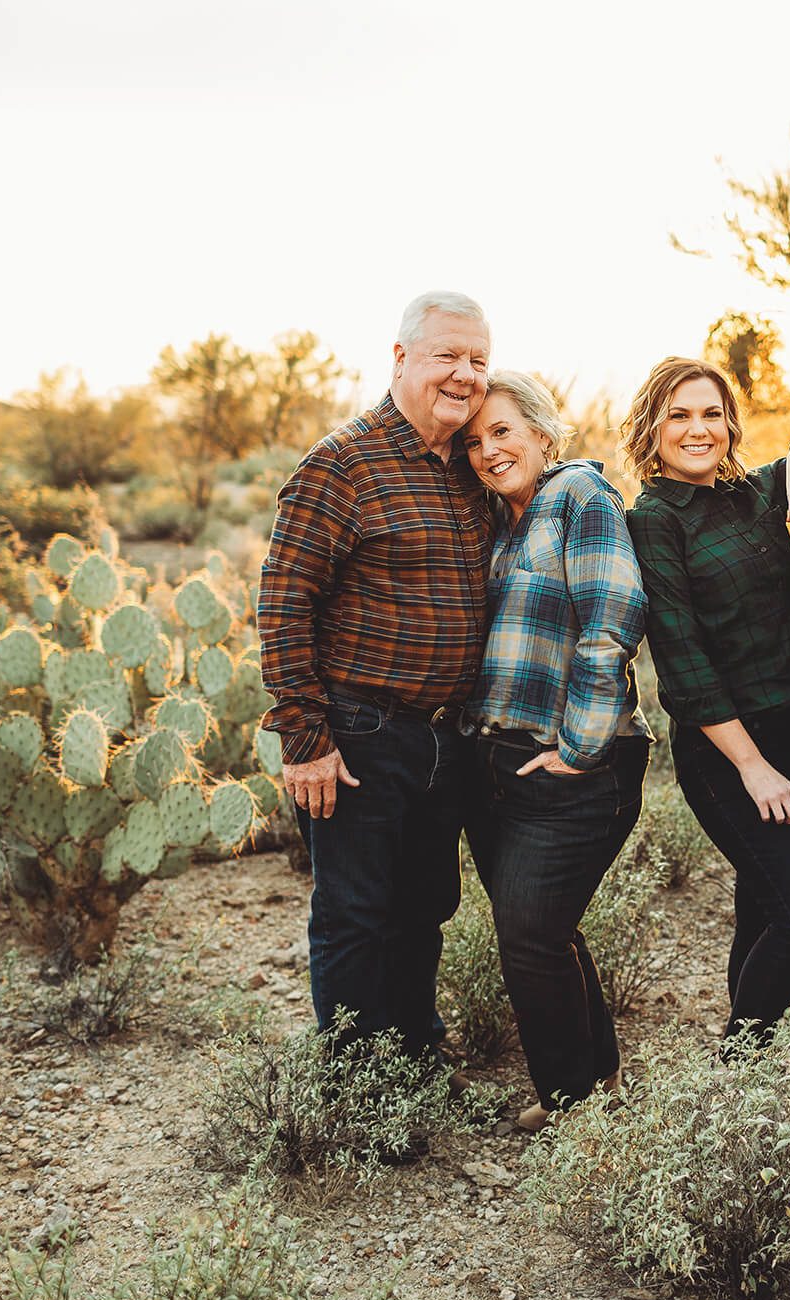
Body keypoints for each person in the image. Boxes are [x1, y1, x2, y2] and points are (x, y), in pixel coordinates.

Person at [256, 290, 492, 1067]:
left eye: (478, 361)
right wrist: (305, 738)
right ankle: (358, 1089)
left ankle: (415, 1057)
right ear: (400, 359)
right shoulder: (343, 462)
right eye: (446, 357)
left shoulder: (472, 467)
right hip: (358, 731)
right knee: (356, 912)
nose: (464, 374)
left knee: (424, 908)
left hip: (444, 735)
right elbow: (285, 599)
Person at [622, 357, 790, 1050]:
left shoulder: (758, 493)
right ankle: (738, 1057)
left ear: (730, 422)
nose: (699, 429)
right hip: (728, 752)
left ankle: (749, 1076)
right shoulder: (654, 519)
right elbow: (684, 661)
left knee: (763, 904)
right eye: (680, 415)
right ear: (652, 427)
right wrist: (752, 765)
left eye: (712, 413)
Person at [456, 371, 652, 1130]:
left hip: (576, 766)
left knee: (529, 935)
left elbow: (613, 616)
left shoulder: (579, 498)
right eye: (474, 440)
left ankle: (570, 1109)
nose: (488, 449)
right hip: (497, 762)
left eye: (502, 430)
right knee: (545, 929)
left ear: (541, 430)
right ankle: (599, 1077)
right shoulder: (501, 520)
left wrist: (579, 745)